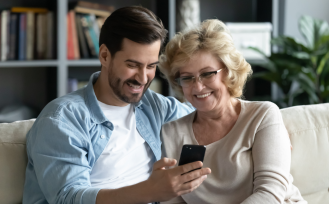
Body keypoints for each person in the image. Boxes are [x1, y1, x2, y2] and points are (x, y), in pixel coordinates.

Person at [23, 6, 211, 204]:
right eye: (132, 65)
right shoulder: (63, 118)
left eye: (151, 66)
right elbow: (68, 197)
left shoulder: (154, 105)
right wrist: (149, 191)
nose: (142, 78)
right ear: (104, 55)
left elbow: (206, 116)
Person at [158, 19, 307, 203]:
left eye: (207, 74)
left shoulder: (261, 116)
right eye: (187, 78)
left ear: (228, 72)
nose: (198, 86)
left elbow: (270, 193)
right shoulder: (170, 133)